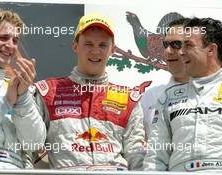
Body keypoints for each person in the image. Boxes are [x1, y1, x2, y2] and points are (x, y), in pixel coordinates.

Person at [33, 13, 145, 171]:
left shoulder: (128, 99)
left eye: (103, 45)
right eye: (88, 44)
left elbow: (136, 156)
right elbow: (28, 146)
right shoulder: (48, 91)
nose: (95, 51)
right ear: (75, 46)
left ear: (112, 50)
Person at [143, 17, 222, 172]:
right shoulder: (168, 97)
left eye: (188, 45)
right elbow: (156, 157)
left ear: (211, 50)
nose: (181, 52)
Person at [0, 9, 46, 169]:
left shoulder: (19, 85)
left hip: (14, 167)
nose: (10, 46)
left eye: (15, 40)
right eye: (3, 38)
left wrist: (22, 100)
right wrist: (5, 103)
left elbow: (34, 142)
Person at [141, 18, 190, 138]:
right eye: (165, 44)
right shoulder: (150, 96)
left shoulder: (216, 95)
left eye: (176, 44)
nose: (168, 51)